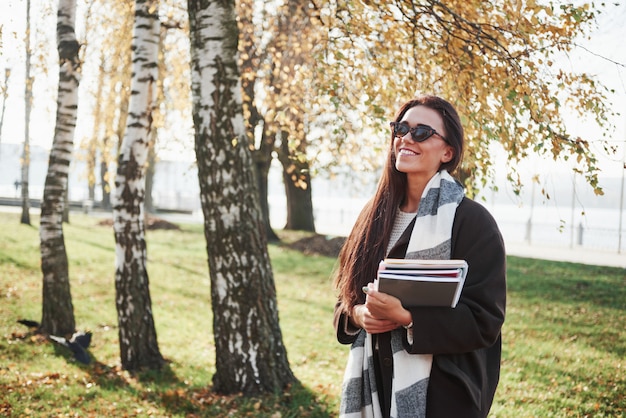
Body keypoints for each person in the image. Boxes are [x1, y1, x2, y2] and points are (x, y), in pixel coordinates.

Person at [333, 94, 506, 418]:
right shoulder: (372, 217)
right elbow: (344, 302)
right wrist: (358, 315)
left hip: (443, 397)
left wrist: (409, 318)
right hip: (376, 392)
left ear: (447, 152)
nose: (406, 138)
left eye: (421, 132)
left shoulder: (472, 222)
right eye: (401, 128)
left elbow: (485, 321)